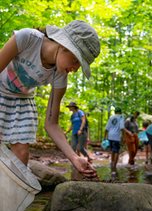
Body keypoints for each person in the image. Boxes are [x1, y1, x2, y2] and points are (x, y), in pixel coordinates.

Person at [0, 20, 100, 178]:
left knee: (21, 154)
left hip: (22, 100)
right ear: (64, 45)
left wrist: (74, 158)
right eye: (75, 60)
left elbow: (51, 123)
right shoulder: (27, 38)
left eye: (79, 66)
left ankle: (9, 196)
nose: (74, 69)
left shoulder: (60, 75)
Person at [104, 107, 129, 179]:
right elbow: (122, 127)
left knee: (112, 151)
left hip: (110, 136)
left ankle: (112, 163)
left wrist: (104, 137)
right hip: (116, 136)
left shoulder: (111, 117)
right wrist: (124, 137)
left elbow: (106, 128)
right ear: (120, 112)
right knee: (117, 151)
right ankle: (114, 166)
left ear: (115, 112)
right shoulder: (121, 117)